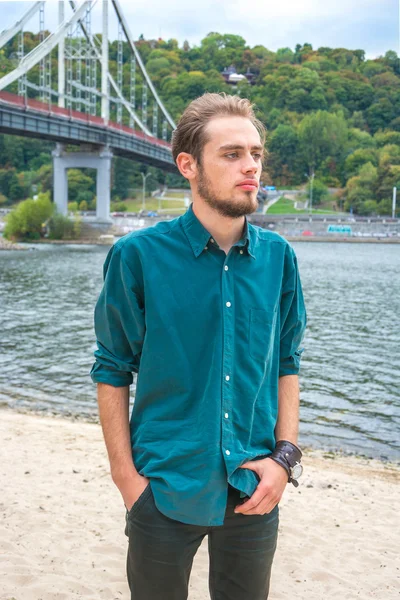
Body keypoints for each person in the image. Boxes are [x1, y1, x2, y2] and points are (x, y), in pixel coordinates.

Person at [90, 92, 307, 600]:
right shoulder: (136, 256)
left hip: (255, 484)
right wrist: (128, 481)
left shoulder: (279, 257)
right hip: (162, 486)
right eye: (231, 154)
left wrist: (285, 459)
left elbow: (287, 362)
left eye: (255, 153)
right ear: (188, 165)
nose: (250, 166)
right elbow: (112, 368)